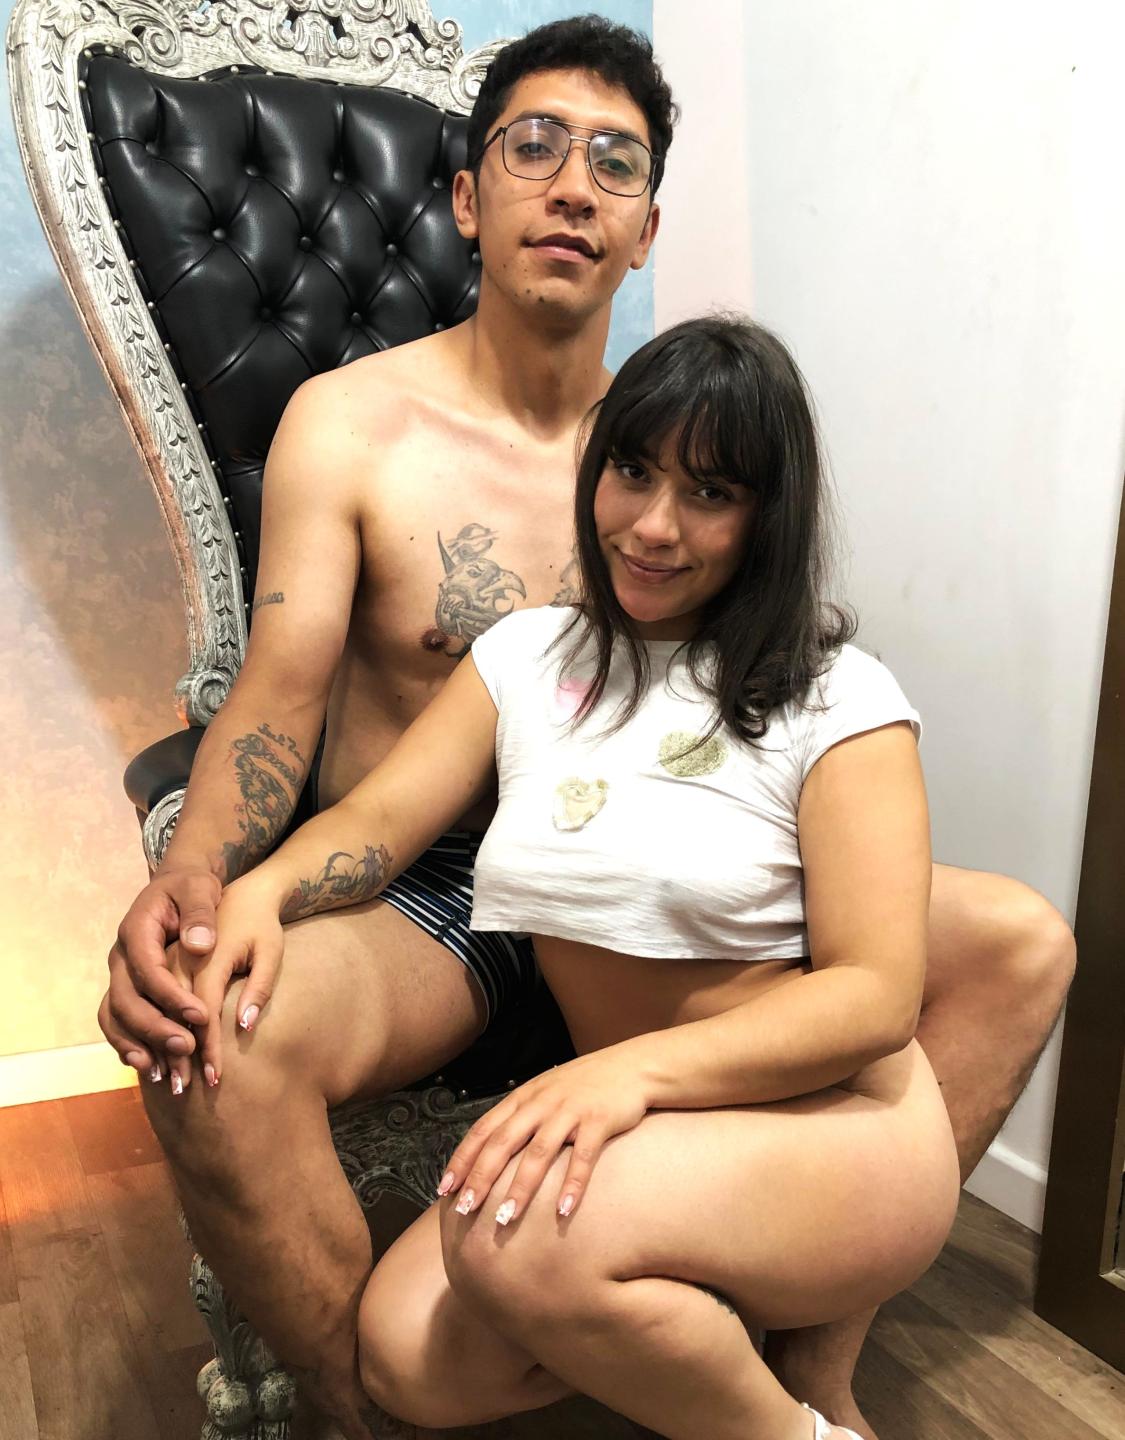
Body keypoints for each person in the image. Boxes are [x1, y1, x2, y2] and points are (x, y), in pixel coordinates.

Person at [95, 16, 1074, 1440]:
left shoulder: (673, 445)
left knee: (1023, 943)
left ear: (645, 227)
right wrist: (200, 884)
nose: (571, 186)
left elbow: (780, 696)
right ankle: (352, 1409)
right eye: (534, 147)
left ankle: (808, 1363)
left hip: (670, 854)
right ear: (466, 196)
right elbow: (278, 696)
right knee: (212, 1042)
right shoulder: (354, 425)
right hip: (439, 888)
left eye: (614, 162)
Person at [190, 314, 961, 1440]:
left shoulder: (839, 698)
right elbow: (379, 821)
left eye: (710, 493)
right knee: (405, 1359)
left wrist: (623, 1076)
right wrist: (260, 891)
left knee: (512, 1246)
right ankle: (670, 1301)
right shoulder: (524, 656)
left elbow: (875, 996)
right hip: (645, 1129)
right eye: (633, 472)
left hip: (828, 1123)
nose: (653, 526)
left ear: (770, 515)